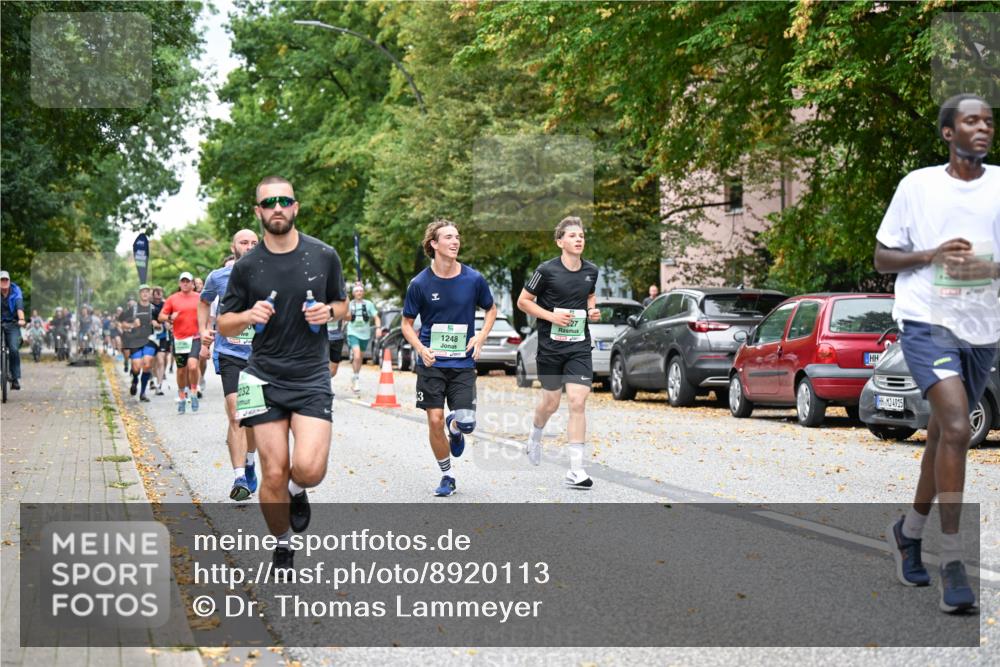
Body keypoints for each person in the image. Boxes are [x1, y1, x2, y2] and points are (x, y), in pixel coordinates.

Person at [875, 93, 998, 614]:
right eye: (971, 120)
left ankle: (909, 532)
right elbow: (883, 258)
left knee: (944, 438)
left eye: (988, 121)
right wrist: (932, 254)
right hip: (926, 321)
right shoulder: (918, 186)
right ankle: (952, 561)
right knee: (954, 425)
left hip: (981, 325)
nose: (983, 128)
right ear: (949, 133)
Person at [217, 176, 347, 570]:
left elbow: (343, 306)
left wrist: (329, 313)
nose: (277, 207)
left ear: (295, 207)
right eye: (268, 202)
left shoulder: (324, 256)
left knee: (308, 469)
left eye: (284, 201)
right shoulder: (247, 266)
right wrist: (247, 315)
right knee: (271, 471)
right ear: (258, 212)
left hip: (310, 376)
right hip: (263, 377)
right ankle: (284, 543)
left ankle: (297, 489)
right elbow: (223, 324)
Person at [401, 220, 497, 498]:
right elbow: (407, 323)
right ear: (434, 244)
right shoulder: (419, 283)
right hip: (432, 362)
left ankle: (455, 428)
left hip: (463, 363)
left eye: (457, 237)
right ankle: (447, 475)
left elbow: (490, 310)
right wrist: (420, 348)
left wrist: (480, 337)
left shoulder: (473, 279)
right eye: (448, 237)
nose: (455, 242)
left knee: (467, 422)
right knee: (433, 420)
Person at [517, 216, 601, 489]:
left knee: (578, 402)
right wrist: (552, 316)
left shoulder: (592, 270)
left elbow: (589, 294)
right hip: (551, 348)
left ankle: (576, 470)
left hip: (578, 346)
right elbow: (523, 302)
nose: (579, 239)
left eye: (582, 235)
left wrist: (591, 310)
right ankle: (535, 435)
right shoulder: (546, 270)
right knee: (550, 403)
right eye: (573, 235)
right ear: (560, 241)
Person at [200, 231, 261, 501]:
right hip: (230, 353)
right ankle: (239, 478)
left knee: (254, 419)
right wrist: (203, 329)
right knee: (236, 413)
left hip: (260, 356)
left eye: (254, 243)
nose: (249, 247)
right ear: (233, 247)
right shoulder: (218, 277)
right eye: (243, 243)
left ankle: (249, 462)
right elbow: (204, 301)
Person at [158, 272, 203, 413]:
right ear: (179, 283)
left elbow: (206, 314)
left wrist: (206, 330)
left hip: (195, 337)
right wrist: (170, 317)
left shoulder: (199, 298)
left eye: (188, 281)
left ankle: (194, 392)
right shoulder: (172, 299)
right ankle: (182, 397)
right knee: (181, 370)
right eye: (182, 281)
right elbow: (161, 316)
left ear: (192, 284)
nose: (185, 283)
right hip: (179, 339)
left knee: (193, 366)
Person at [120, 285, 159, 402]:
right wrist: (132, 325)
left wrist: (157, 324)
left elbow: (161, 322)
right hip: (135, 341)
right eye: (143, 292)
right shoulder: (133, 309)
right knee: (136, 367)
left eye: (147, 292)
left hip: (150, 340)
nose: (145, 294)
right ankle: (135, 379)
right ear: (139, 294)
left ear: (150, 294)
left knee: (147, 364)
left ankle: (142, 393)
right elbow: (122, 324)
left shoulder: (154, 309)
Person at [345, 284, 381, 393]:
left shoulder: (369, 304)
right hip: (352, 333)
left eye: (361, 291)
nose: (359, 293)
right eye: (357, 291)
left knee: (360, 357)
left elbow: (376, 317)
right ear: (353, 293)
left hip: (365, 334)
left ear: (363, 292)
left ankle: (356, 375)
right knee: (356, 355)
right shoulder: (350, 305)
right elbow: (344, 317)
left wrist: (378, 328)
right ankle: (356, 380)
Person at [1, 271, 26, 389]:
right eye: (2, 280)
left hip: (13, 323)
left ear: (9, 281)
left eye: (6, 280)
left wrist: (21, 318)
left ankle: (14, 379)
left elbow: (19, 304)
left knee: (14, 349)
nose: (4, 282)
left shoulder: (15, 290)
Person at [150, 286, 169, 395]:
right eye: (156, 293)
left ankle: (159, 385)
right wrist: (152, 322)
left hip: (162, 336)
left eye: (160, 293)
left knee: (161, 360)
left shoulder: (166, 304)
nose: (158, 296)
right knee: (152, 361)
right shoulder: (148, 305)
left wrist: (168, 322)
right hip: (150, 337)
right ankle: (151, 378)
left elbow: (169, 317)